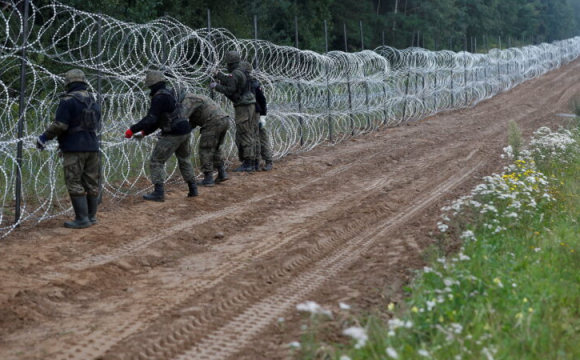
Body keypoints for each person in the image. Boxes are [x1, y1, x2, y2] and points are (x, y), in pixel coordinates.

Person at [35, 69, 101, 229]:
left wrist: (44, 137)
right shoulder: (93, 100)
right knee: (91, 182)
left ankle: (81, 219)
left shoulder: (68, 101)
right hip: (92, 146)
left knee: (74, 181)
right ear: (84, 82)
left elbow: (61, 125)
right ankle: (91, 217)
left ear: (68, 83)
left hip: (74, 148)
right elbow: (97, 121)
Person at [124, 70, 198, 202]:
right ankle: (193, 188)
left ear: (152, 84)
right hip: (184, 130)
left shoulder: (159, 97)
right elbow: (160, 120)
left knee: (156, 161)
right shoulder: (168, 94)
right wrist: (144, 132)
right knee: (184, 159)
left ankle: (158, 193)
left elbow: (151, 119)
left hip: (174, 133)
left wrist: (132, 130)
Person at [210, 50, 256, 172]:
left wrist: (216, 86)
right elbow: (231, 81)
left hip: (243, 106)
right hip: (249, 104)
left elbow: (230, 90)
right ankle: (251, 161)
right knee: (247, 132)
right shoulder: (242, 70)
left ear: (230, 63)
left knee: (244, 133)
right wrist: (218, 75)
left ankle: (248, 163)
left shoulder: (235, 73)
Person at [179, 93, 230, 187]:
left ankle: (208, 178)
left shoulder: (187, 100)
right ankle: (222, 172)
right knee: (216, 148)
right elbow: (193, 122)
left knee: (205, 149)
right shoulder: (196, 97)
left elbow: (182, 117)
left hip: (213, 122)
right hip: (224, 119)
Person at [239, 61, 274, 172]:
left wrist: (263, 116)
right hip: (247, 114)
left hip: (256, 113)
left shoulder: (254, 83)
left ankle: (268, 161)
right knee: (251, 139)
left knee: (261, 137)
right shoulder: (242, 83)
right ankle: (254, 162)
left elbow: (262, 100)